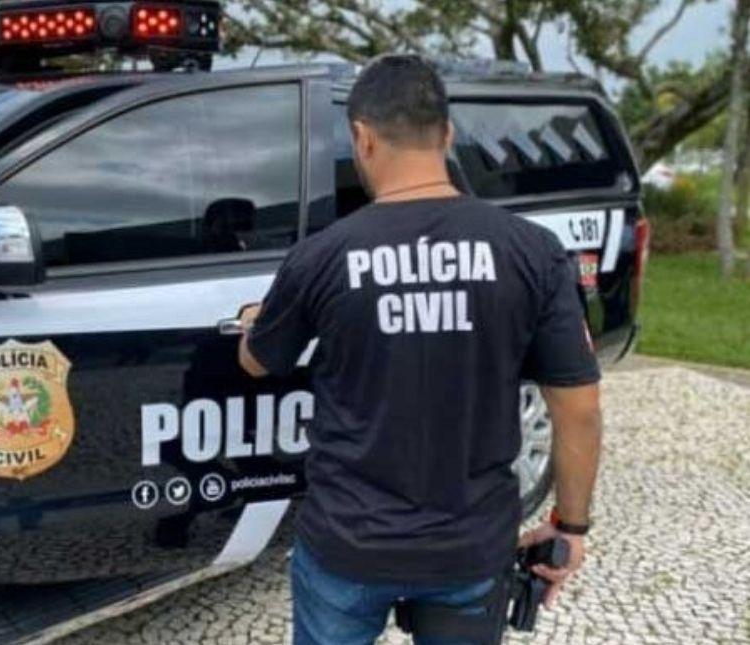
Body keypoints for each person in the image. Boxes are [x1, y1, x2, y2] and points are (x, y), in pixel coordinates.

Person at [236, 55, 603, 645]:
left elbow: (258, 361)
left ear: (362, 137)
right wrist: (570, 526)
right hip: (470, 550)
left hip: (347, 545)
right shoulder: (533, 251)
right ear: (447, 134)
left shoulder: (321, 256)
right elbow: (578, 407)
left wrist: (256, 321)